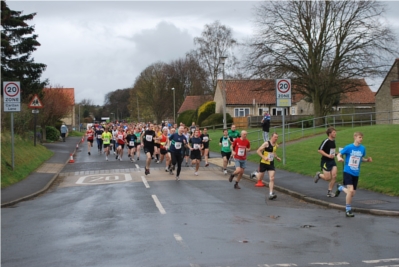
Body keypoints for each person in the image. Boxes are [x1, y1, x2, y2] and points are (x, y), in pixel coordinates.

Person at [335, 132, 372, 217]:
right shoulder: (349, 147)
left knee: (352, 193)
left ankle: (340, 188)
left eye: (362, 138)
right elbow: (340, 154)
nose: (361, 139)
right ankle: (348, 210)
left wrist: (367, 160)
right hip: (348, 171)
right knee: (350, 190)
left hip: (356, 173)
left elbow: (361, 158)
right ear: (355, 137)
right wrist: (339, 158)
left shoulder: (363, 148)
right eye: (359, 137)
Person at [255, 133, 281, 200]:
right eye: (275, 137)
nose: (276, 138)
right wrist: (264, 157)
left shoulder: (275, 145)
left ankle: (271, 193)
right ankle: (255, 174)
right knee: (259, 178)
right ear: (271, 137)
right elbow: (258, 151)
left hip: (271, 163)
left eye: (277, 137)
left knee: (272, 178)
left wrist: (277, 157)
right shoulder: (266, 143)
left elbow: (273, 152)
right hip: (263, 163)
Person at [314, 127, 338, 197]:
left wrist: (338, 154)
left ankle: (329, 192)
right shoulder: (326, 141)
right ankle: (319, 175)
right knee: (328, 178)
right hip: (325, 161)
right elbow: (319, 150)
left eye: (335, 132)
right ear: (330, 134)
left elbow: (332, 153)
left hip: (332, 161)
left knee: (334, 176)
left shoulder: (333, 141)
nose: (335, 133)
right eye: (334, 132)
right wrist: (328, 155)